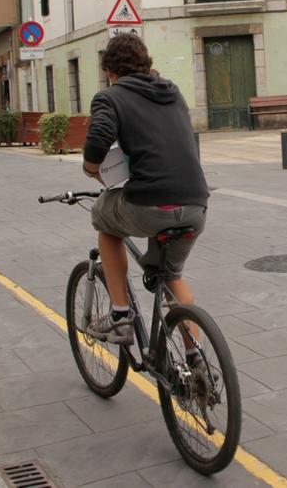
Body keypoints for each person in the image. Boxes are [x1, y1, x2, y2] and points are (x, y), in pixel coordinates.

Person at [81, 31, 208, 353]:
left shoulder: (111, 96)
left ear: (110, 70)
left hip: (150, 203)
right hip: (195, 203)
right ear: (146, 62)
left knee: (105, 223)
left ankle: (120, 316)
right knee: (171, 274)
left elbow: (98, 140)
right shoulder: (173, 91)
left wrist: (92, 168)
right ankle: (196, 362)